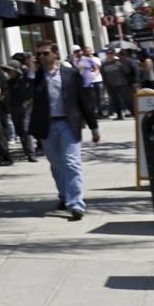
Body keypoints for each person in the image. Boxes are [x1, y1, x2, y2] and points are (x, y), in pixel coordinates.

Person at [29, 42, 101, 221]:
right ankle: (64, 195)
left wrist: (93, 126)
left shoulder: (70, 74)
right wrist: (31, 71)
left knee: (71, 162)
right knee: (56, 165)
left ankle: (76, 204)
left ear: (55, 54)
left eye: (45, 53)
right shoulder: (36, 77)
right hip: (47, 126)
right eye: (38, 55)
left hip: (68, 124)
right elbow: (26, 95)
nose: (41, 57)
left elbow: (83, 100)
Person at [7, 53, 39, 161]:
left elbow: (33, 89)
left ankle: (31, 154)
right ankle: (27, 151)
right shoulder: (10, 82)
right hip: (14, 107)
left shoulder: (26, 77)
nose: (9, 72)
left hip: (26, 106)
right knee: (20, 131)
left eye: (11, 70)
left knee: (26, 129)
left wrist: (28, 100)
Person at [102, 50, 134, 119]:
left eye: (111, 53)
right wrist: (105, 85)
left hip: (122, 84)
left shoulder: (119, 61)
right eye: (108, 53)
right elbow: (103, 75)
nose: (110, 55)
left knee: (126, 99)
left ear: (114, 54)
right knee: (115, 101)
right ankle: (119, 115)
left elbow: (127, 71)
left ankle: (134, 113)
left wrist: (121, 66)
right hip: (111, 85)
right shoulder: (104, 64)